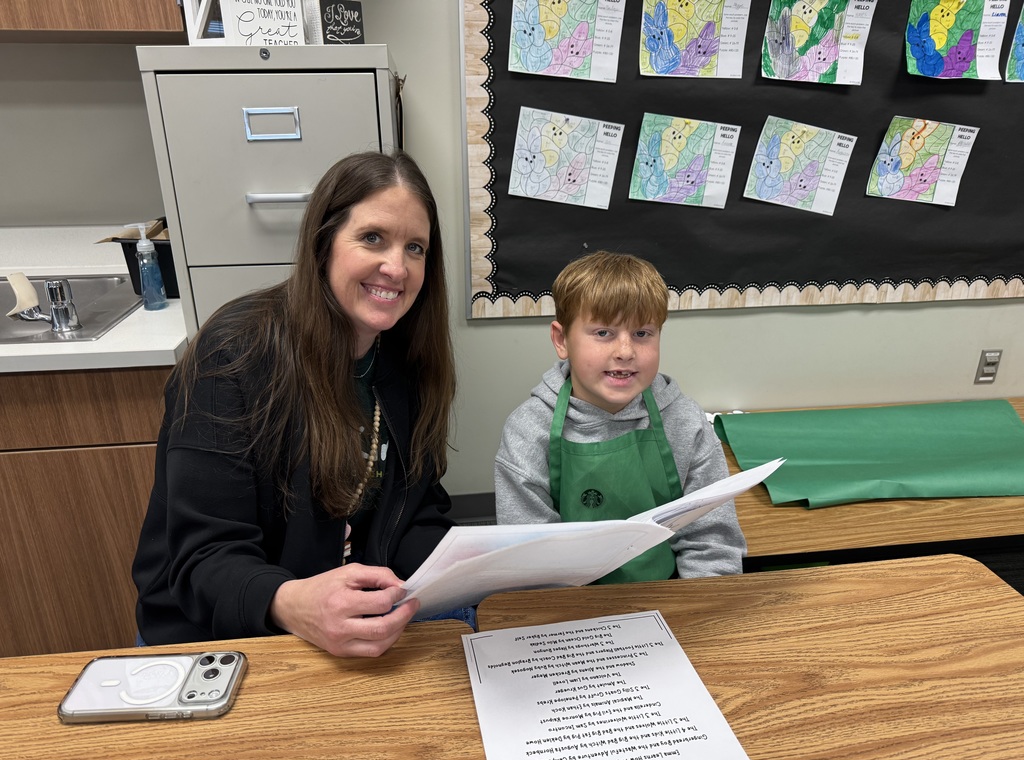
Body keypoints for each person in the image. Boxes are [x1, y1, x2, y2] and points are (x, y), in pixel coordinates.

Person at [133, 149, 463, 657]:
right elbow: (203, 557)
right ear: (324, 242)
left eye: (415, 248)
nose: (396, 266)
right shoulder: (232, 356)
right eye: (373, 238)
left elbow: (416, 510)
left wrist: (468, 566)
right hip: (225, 633)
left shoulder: (405, 355)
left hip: (353, 623)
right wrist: (292, 602)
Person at [494, 251, 745, 582]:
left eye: (642, 334)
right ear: (561, 340)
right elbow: (531, 562)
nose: (625, 351)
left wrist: (694, 614)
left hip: (671, 600)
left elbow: (712, 544)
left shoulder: (685, 422)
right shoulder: (528, 432)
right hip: (567, 609)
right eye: (603, 333)